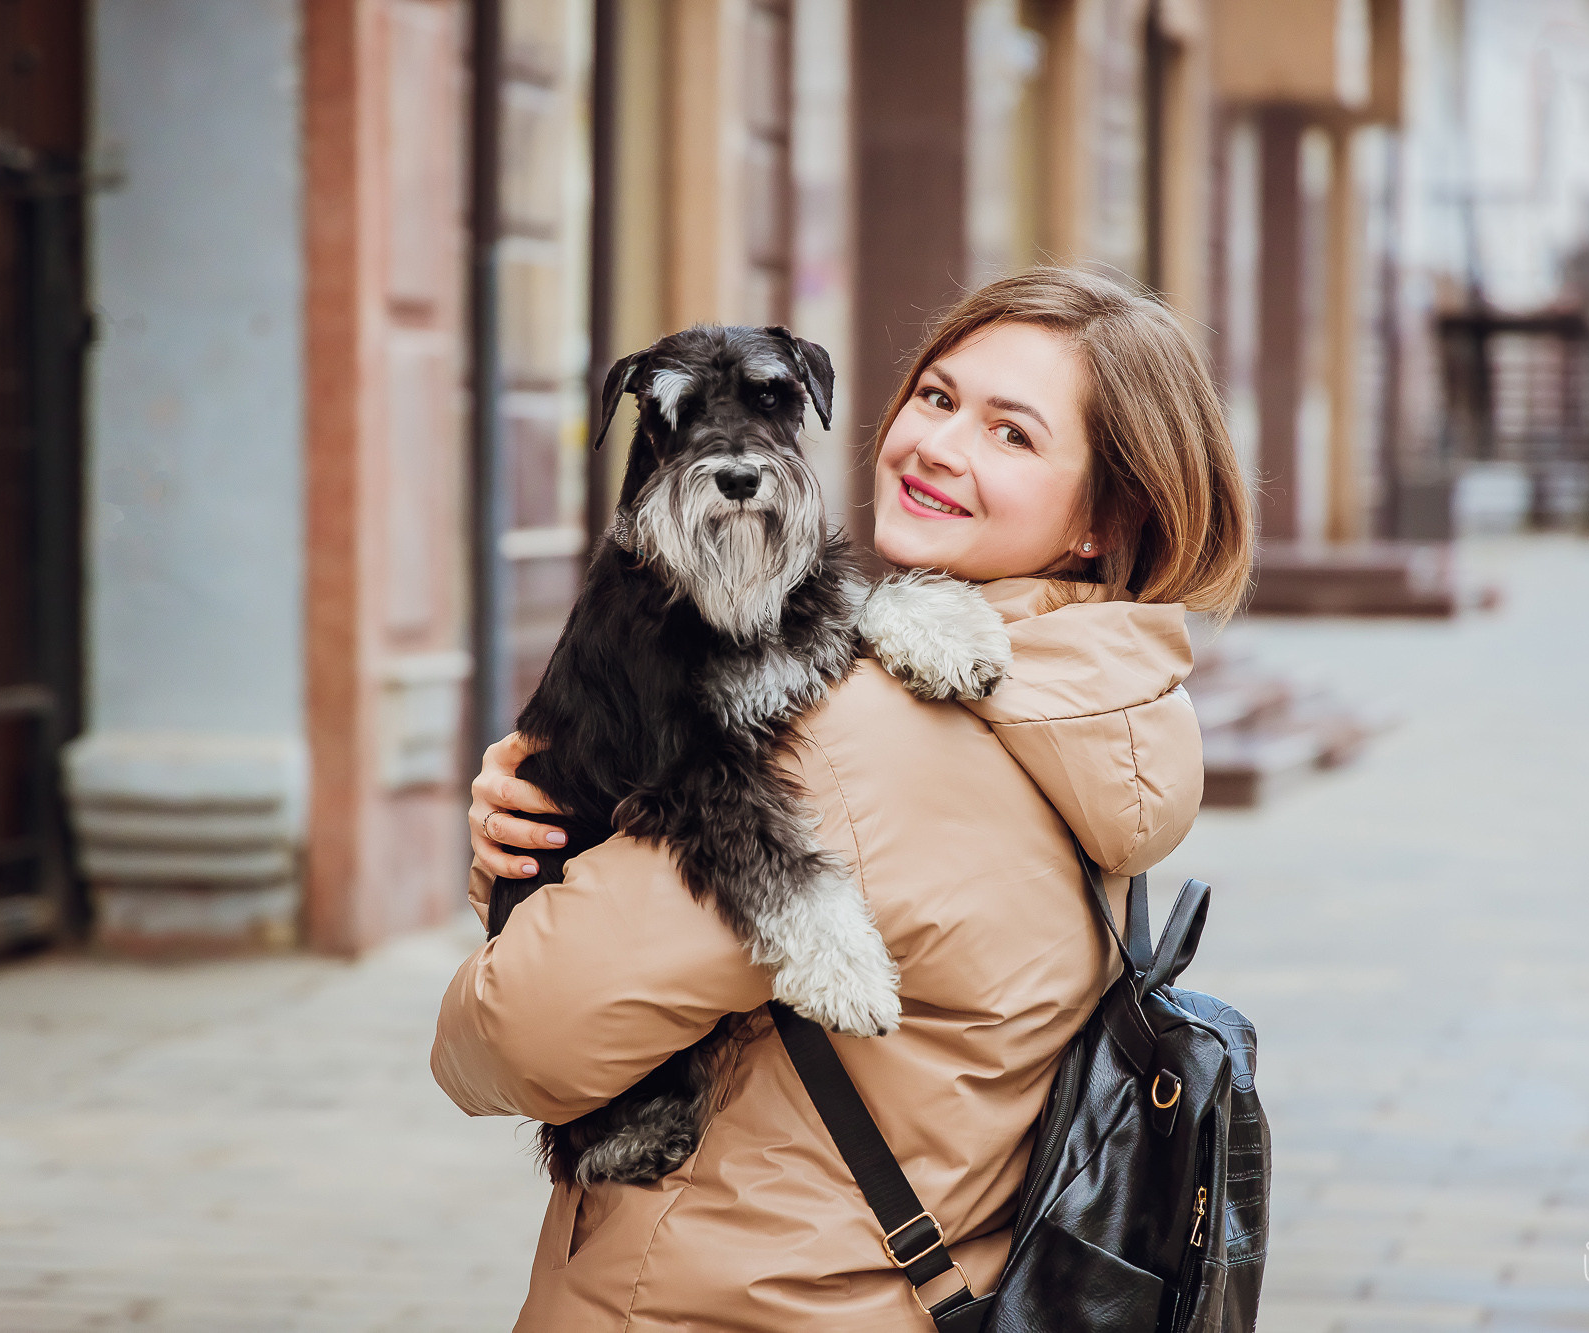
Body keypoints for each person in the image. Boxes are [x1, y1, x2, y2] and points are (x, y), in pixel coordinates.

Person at [434, 267, 1253, 1331]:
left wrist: (519, 877)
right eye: (936, 396)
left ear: (1104, 515)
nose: (939, 446)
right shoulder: (1092, 706)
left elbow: (513, 1037)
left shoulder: (841, 741)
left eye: (1012, 435)